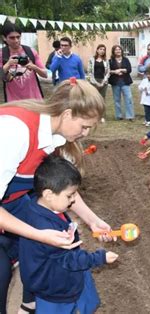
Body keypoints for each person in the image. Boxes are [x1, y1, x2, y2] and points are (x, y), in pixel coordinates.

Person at [0, 79, 114, 314]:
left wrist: (93, 221)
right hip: (6, 201)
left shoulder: (56, 137)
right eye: (84, 126)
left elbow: (64, 188)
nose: (86, 133)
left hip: (11, 199)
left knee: (53, 229)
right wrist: (38, 235)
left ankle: (30, 302)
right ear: (68, 114)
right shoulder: (16, 131)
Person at [19, 156, 119, 313]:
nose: (73, 200)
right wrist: (100, 258)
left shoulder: (42, 207)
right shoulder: (43, 227)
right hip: (56, 290)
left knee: (85, 300)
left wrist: (87, 224)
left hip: (66, 278)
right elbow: (68, 259)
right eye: (70, 195)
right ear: (49, 194)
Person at [0, 21, 47, 102]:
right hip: (13, 101)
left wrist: (34, 67)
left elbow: (45, 74)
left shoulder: (30, 51)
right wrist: (8, 64)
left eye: (18, 37)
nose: (16, 40)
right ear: (4, 38)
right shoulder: (2, 54)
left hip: (34, 98)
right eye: (12, 38)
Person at [109, 44, 134, 121]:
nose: (118, 51)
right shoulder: (110, 61)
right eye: (116, 49)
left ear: (121, 51)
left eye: (119, 49)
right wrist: (115, 72)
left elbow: (129, 69)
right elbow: (108, 71)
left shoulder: (126, 59)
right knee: (117, 99)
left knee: (129, 98)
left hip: (125, 82)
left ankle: (129, 116)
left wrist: (121, 70)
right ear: (113, 51)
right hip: (115, 82)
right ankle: (118, 116)